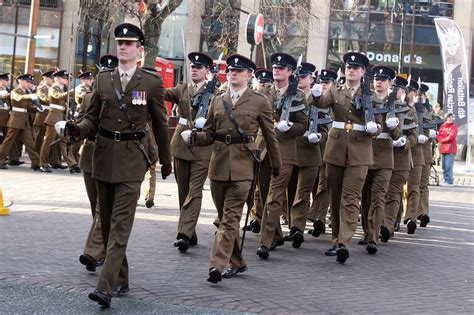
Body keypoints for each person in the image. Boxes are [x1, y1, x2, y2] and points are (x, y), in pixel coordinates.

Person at [59, 23, 172, 308]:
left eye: (129, 44)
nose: (122, 47)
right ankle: (121, 277)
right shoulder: (103, 80)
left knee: (120, 228)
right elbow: (91, 120)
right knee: (107, 226)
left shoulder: (151, 83)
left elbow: (160, 125)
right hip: (103, 158)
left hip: (133, 161)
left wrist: (166, 161)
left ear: (139, 50)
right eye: (120, 42)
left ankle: (105, 288)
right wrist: (76, 129)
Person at [182, 54, 281, 283]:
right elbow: (209, 134)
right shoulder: (218, 100)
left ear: (249, 75)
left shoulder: (259, 102)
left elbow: (270, 136)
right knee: (224, 218)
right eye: (230, 71)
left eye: (239, 71)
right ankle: (237, 261)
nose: (233, 74)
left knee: (229, 220)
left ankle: (216, 265)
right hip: (218, 167)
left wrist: (276, 164)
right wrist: (195, 137)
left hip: (243, 168)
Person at [311, 52, 381, 263]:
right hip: (336, 149)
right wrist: (315, 94)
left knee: (350, 198)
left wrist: (374, 128)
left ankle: (344, 242)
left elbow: (380, 123)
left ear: (362, 72)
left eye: (355, 68)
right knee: (335, 197)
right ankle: (335, 239)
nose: (351, 70)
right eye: (348, 67)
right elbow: (322, 104)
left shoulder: (371, 96)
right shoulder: (335, 90)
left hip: (360, 152)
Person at [255, 52, 307, 259]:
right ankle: (275, 234)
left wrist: (291, 127)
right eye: (275, 67)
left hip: (285, 150)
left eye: (281, 68)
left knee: (275, 197)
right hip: (263, 149)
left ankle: (265, 242)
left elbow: (303, 125)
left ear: (290, 72)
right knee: (264, 193)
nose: (276, 70)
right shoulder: (263, 92)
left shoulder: (299, 96)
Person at [165, 52, 214, 253]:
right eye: (193, 67)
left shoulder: (215, 93)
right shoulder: (182, 89)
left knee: (194, 192)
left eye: (199, 68)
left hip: (202, 147)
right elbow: (161, 93)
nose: (194, 70)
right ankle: (190, 231)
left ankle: (183, 234)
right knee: (183, 191)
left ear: (207, 72)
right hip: (180, 144)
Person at [77, 55, 118, 273]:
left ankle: (97, 252)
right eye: (102, 73)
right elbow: (83, 121)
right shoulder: (88, 98)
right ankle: (106, 247)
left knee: (105, 208)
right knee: (96, 208)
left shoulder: (124, 98)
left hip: (112, 156)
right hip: (90, 156)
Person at [359, 65, 401, 254]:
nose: (379, 82)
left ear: (389, 83)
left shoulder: (395, 105)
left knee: (378, 198)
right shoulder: (365, 99)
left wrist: (393, 127)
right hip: (365, 154)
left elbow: (397, 134)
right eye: (377, 79)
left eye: (383, 80)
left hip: (384, 158)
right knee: (365, 198)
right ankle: (367, 232)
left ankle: (374, 237)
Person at [284, 62, 325, 249]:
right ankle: (291, 223)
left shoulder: (319, 99)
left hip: (310, 152)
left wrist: (319, 137)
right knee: (289, 192)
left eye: (304, 77)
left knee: (303, 193)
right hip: (291, 150)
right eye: (298, 77)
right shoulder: (290, 96)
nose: (300, 80)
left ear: (311, 79)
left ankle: (297, 228)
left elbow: (327, 126)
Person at [307, 69, 337, 237]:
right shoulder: (315, 97)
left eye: (327, 82)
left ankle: (320, 218)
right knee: (313, 184)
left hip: (328, 146)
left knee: (324, 184)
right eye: (322, 81)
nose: (324, 84)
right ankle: (318, 217)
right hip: (312, 147)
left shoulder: (335, 100)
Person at [39, 70, 79, 173]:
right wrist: (70, 92)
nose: (66, 80)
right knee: (48, 142)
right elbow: (57, 96)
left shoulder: (63, 89)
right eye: (65, 78)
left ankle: (72, 165)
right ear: (59, 78)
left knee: (64, 141)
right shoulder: (53, 88)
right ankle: (42, 164)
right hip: (53, 118)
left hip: (61, 117)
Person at [0, 74, 41, 170]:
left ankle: (36, 163)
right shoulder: (15, 91)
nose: (28, 84)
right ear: (21, 81)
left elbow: (28, 107)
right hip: (15, 120)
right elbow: (18, 98)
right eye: (27, 82)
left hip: (24, 121)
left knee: (30, 143)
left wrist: (38, 108)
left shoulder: (26, 92)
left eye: (29, 82)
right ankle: (0, 160)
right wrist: (30, 96)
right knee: (8, 142)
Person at [437, 113, 458, 186]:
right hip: (443, 149)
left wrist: (443, 140)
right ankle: (446, 180)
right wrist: (441, 140)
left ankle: (449, 181)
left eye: (451, 117)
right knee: (444, 166)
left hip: (451, 149)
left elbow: (451, 136)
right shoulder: (443, 126)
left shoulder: (453, 127)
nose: (450, 118)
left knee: (448, 166)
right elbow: (439, 135)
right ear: (446, 118)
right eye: (449, 117)